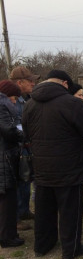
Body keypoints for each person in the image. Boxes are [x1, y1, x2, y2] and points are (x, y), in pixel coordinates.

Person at [22, 70, 83, 259]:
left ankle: (42, 245)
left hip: (41, 164)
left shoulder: (30, 104)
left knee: (43, 208)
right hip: (69, 165)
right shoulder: (71, 103)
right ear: (65, 84)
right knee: (70, 209)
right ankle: (71, 248)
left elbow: (26, 131)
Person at [9, 66, 39, 231]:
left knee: (26, 179)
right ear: (19, 82)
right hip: (16, 149)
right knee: (17, 182)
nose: (33, 83)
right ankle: (16, 217)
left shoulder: (27, 99)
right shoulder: (12, 101)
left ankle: (24, 210)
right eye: (30, 80)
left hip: (26, 147)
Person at [0, 81, 25, 248]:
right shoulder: (2, 105)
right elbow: (8, 130)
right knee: (7, 199)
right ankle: (7, 237)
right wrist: (24, 135)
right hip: (4, 158)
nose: (15, 102)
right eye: (14, 98)